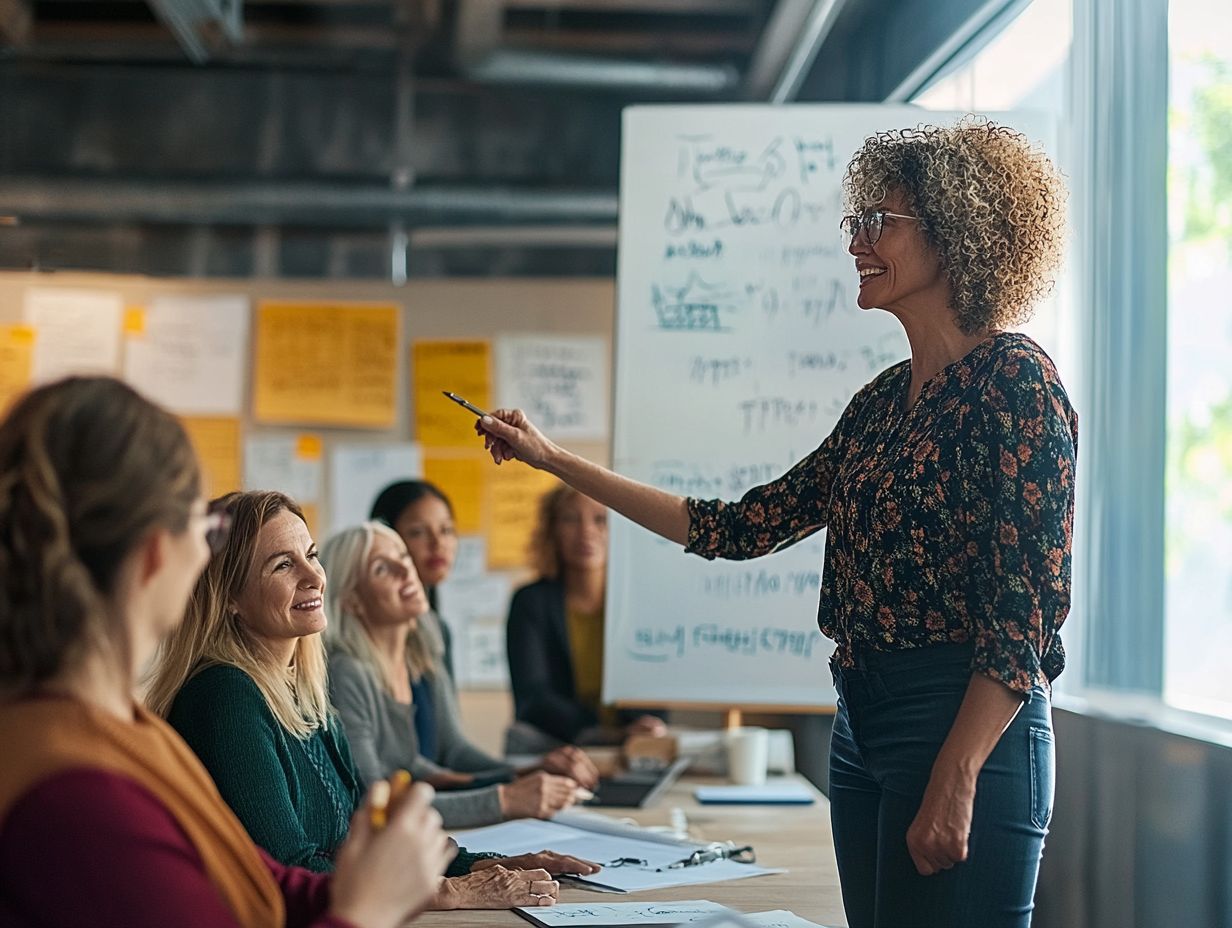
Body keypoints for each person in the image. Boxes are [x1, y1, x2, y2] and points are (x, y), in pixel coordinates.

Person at [472, 118, 1075, 928]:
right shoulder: (879, 405)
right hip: (862, 723)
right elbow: (737, 527)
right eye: (854, 223)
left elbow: (1023, 613)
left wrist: (956, 774)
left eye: (877, 223)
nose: (856, 241)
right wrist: (554, 460)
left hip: (966, 726)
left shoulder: (1016, 383)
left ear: (953, 234)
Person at [0, 377, 451, 928]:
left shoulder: (121, 726)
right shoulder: (76, 792)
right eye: (204, 526)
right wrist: (366, 911)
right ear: (152, 553)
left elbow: (257, 878)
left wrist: (408, 879)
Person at [144, 490, 592, 911]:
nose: (313, 575)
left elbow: (369, 825)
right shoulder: (224, 696)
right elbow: (288, 871)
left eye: (312, 556)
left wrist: (483, 864)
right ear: (230, 599)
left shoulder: (304, 689)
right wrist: (450, 890)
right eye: (283, 565)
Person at [319, 520, 600, 829]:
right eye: (381, 569)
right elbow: (371, 799)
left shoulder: (421, 647)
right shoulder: (348, 672)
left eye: (402, 556)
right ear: (351, 601)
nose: (405, 570)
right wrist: (504, 798)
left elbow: (427, 759)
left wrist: (523, 775)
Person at [506, 485, 667, 748]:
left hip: (633, 744)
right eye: (570, 519)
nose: (586, 532)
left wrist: (644, 725)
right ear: (552, 531)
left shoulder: (642, 602)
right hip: (554, 744)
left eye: (600, 520)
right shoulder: (530, 602)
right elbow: (533, 697)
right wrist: (600, 732)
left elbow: (656, 680)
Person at [368, 480, 459, 683]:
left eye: (446, 530)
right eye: (418, 532)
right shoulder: (370, 633)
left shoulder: (438, 628)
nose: (438, 543)